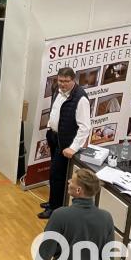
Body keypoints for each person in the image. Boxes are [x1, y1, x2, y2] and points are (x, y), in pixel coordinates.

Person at [33, 169, 114, 260]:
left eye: (72, 180)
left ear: (78, 190)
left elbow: (46, 250)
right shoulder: (106, 218)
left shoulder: (60, 215)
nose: (69, 181)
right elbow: (108, 255)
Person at [40, 67, 91, 219]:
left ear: (73, 80)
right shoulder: (57, 90)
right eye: (60, 80)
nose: (62, 84)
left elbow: (85, 127)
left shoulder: (81, 99)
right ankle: (52, 202)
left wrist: (73, 148)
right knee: (53, 174)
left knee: (58, 176)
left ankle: (55, 209)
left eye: (65, 81)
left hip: (66, 144)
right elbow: (55, 111)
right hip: (54, 137)